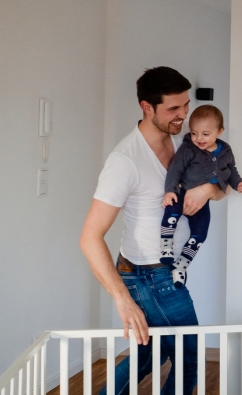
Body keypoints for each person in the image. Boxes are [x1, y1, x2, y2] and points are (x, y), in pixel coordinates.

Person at [80, 67, 229, 395]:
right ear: (147, 107)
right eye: (173, 109)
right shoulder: (125, 160)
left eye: (185, 106)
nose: (183, 115)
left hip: (166, 271)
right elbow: (90, 236)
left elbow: (221, 188)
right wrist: (122, 299)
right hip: (147, 275)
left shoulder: (184, 143)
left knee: (151, 352)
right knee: (189, 360)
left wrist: (206, 190)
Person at [160, 104, 242, 287]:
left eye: (205, 134)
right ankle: (166, 247)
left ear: (220, 132)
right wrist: (170, 190)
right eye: (193, 133)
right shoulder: (188, 149)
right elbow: (175, 169)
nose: (198, 138)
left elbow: (231, 170)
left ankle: (181, 265)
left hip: (203, 202)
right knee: (171, 213)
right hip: (182, 190)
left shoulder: (225, 151)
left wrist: (237, 182)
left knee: (201, 232)